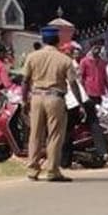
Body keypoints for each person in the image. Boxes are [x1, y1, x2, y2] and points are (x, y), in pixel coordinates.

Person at [22, 25, 83, 182]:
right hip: (55, 98)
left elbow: (25, 81)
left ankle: (32, 169)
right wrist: (80, 103)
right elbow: (73, 83)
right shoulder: (64, 59)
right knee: (55, 135)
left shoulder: (32, 57)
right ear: (58, 41)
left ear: (43, 40)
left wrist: (24, 100)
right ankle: (52, 170)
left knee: (35, 134)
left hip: (36, 97)